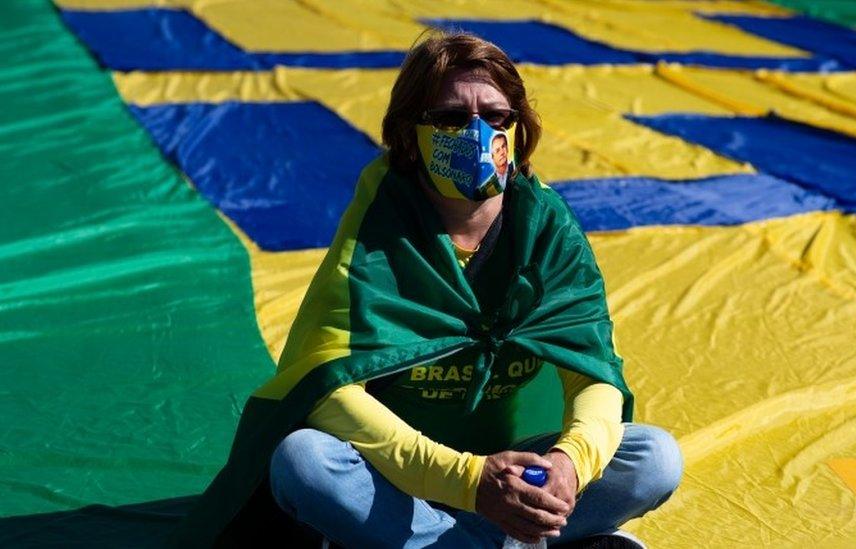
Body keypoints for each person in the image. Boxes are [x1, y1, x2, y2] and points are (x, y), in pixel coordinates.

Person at [171, 32, 682, 549]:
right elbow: (328, 390)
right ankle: (518, 539)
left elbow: (594, 375)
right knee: (303, 461)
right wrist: (468, 482)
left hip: (515, 470)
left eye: (497, 116)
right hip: (394, 476)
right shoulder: (379, 232)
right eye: (452, 119)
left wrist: (567, 466)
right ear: (409, 135)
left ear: (519, 129)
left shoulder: (546, 231)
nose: (478, 134)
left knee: (655, 458)